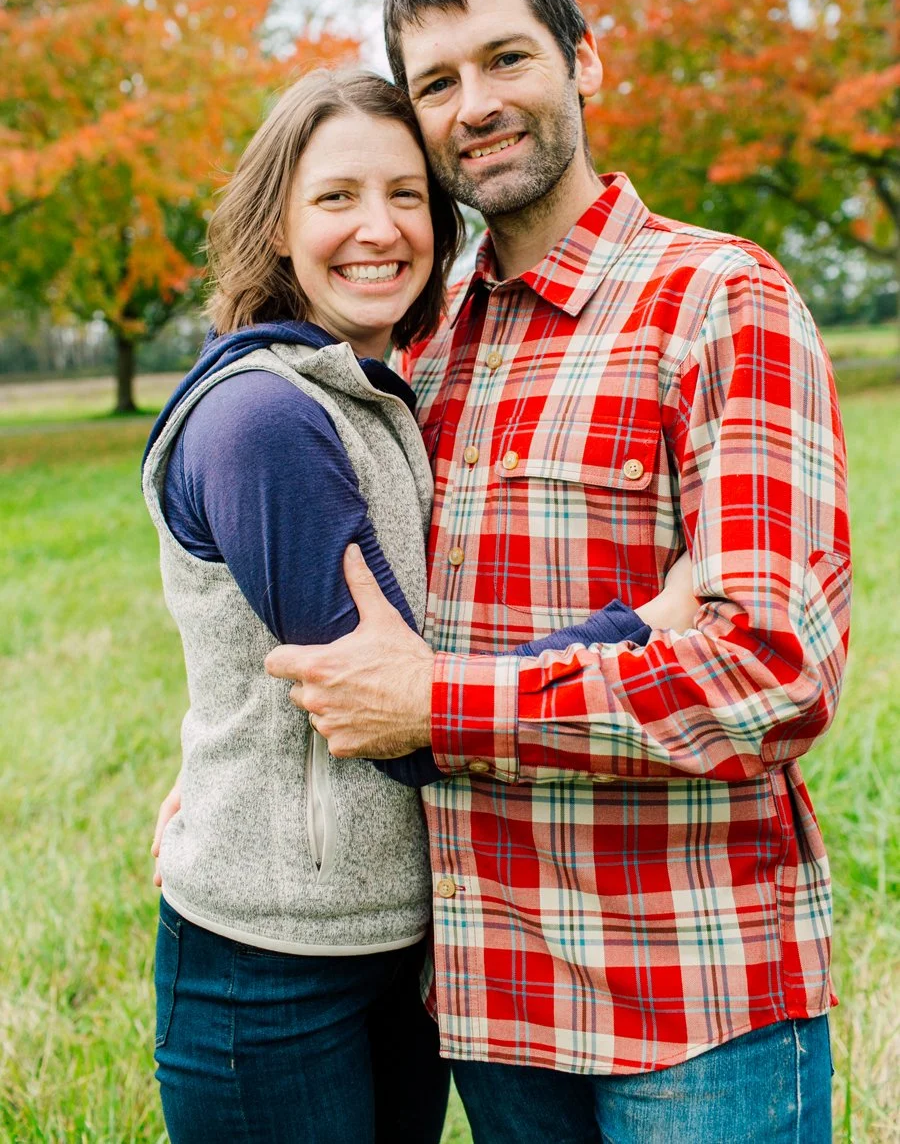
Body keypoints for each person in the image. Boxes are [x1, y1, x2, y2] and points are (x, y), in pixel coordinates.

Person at [266, 0, 851, 1143]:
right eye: (436, 82)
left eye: (506, 59)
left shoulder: (717, 300)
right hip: (490, 1008)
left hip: (693, 1007)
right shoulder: (420, 351)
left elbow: (773, 670)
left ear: (585, 62)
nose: (474, 106)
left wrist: (444, 706)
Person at [144, 67, 698, 1143]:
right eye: (336, 197)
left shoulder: (383, 392)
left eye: (406, 195)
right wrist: (643, 626)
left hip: (401, 945)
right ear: (276, 225)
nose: (378, 228)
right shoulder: (264, 419)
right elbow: (394, 711)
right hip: (272, 967)